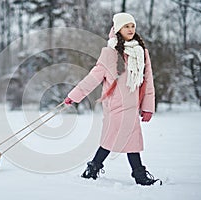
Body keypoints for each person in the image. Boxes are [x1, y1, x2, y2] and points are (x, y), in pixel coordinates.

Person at [64, 13, 161, 186]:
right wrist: (74, 96)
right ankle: (99, 169)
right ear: (118, 29)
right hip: (115, 106)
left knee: (130, 140)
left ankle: (104, 169)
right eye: (126, 26)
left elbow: (148, 80)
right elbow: (94, 77)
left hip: (132, 106)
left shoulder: (141, 52)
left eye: (132, 26)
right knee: (113, 138)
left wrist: (148, 107)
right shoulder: (109, 53)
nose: (130, 29)